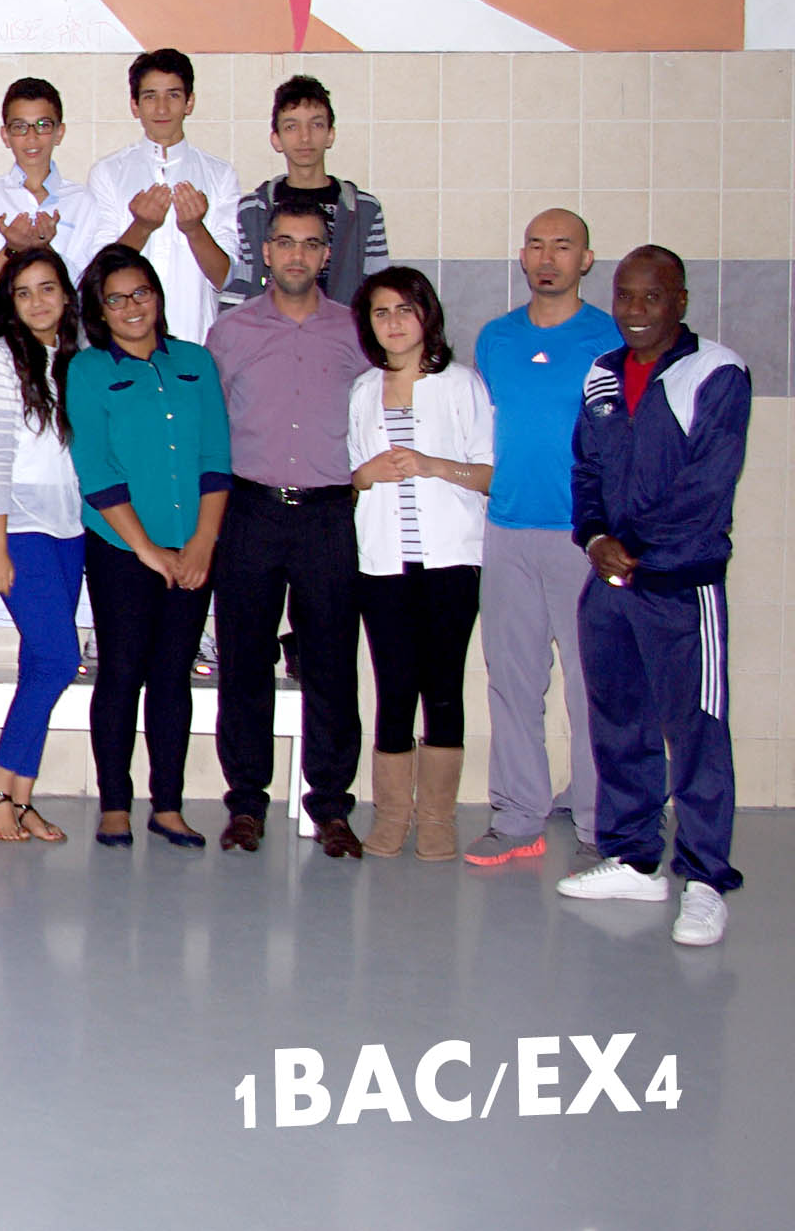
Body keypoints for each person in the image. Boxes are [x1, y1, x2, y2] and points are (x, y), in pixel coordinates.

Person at [558, 246, 751, 949]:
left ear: (680, 301)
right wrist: (594, 538)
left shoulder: (717, 373)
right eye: (625, 296)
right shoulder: (602, 374)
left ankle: (704, 880)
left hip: (680, 585)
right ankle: (636, 860)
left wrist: (630, 547)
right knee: (619, 723)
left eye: (652, 297)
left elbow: (708, 486)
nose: (635, 311)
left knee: (695, 730)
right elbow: (585, 467)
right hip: (609, 582)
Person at [204, 192, 371, 859]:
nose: (297, 255)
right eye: (285, 243)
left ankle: (331, 806)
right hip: (250, 510)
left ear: (326, 256)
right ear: (266, 253)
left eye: (310, 244)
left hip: (329, 514)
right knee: (244, 660)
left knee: (331, 663)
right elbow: (211, 429)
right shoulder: (231, 333)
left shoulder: (355, 331)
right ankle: (246, 803)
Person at [466, 208, 621, 866]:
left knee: (595, 686)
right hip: (507, 530)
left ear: (585, 260)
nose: (548, 258)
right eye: (536, 245)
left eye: (563, 246)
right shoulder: (496, 339)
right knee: (513, 682)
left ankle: (600, 823)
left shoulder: (609, 337)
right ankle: (517, 815)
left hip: (582, 538)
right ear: (522, 256)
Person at [67, 245, 229, 850]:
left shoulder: (195, 362)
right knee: (121, 672)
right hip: (121, 549)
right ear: (99, 311)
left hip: (194, 548)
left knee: (172, 676)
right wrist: (148, 550)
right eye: (116, 299)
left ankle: (168, 806)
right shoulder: (87, 371)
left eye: (141, 293)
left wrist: (203, 544)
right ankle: (114, 805)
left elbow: (216, 458)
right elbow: (96, 470)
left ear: (157, 297)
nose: (132, 307)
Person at [347, 268, 494, 860]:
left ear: (426, 315)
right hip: (383, 565)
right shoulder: (363, 390)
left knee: (443, 689)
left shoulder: (461, 384)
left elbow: (489, 473)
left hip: (451, 562)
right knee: (393, 687)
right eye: (381, 312)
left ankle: (436, 817)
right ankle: (391, 815)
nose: (394, 323)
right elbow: (349, 479)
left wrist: (433, 465)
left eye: (405, 310)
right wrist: (366, 475)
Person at [0, 245, 85, 844]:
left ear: (65, 294)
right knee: (61, 658)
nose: (37, 302)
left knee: (42, 663)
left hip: (71, 525)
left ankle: (21, 796)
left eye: (47, 288)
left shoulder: (75, 355)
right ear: (9, 303)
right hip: (21, 524)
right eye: (23, 292)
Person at [84, 48, 239, 348]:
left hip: (195, 340)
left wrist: (194, 229)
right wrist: (141, 226)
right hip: (123, 345)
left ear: (189, 102)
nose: (162, 108)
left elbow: (224, 277)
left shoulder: (220, 174)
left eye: (173, 95)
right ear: (135, 105)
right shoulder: (108, 172)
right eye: (150, 96)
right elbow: (99, 275)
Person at [222, 75, 389, 309]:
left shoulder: (364, 209)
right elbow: (243, 283)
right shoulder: (253, 209)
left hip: (342, 329)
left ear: (330, 134)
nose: (305, 137)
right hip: (271, 329)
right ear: (276, 139)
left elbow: (379, 289)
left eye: (316, 124)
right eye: (291, 126)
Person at [0, 77, 99, 335]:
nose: (32, 137)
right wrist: (10, 249)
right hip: (0, 340)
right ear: (5, 135)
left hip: (67, 342)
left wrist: (46, 249)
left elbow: (89, 293)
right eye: (20, 127)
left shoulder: (83, 202)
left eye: (43, 125)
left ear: (59, 132)